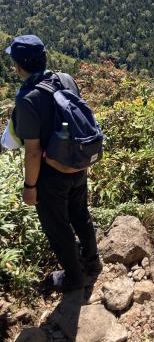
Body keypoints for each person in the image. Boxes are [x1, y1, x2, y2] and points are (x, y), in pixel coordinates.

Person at [4, 35, 101, 292]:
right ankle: (93, 263)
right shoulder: (65, 78)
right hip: (78, 163)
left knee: (57, 227)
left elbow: (33, 151)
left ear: (19, 66)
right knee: (80, 214)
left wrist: (29, 186)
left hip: (51, 174)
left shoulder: (27, 98)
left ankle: (73, 278)